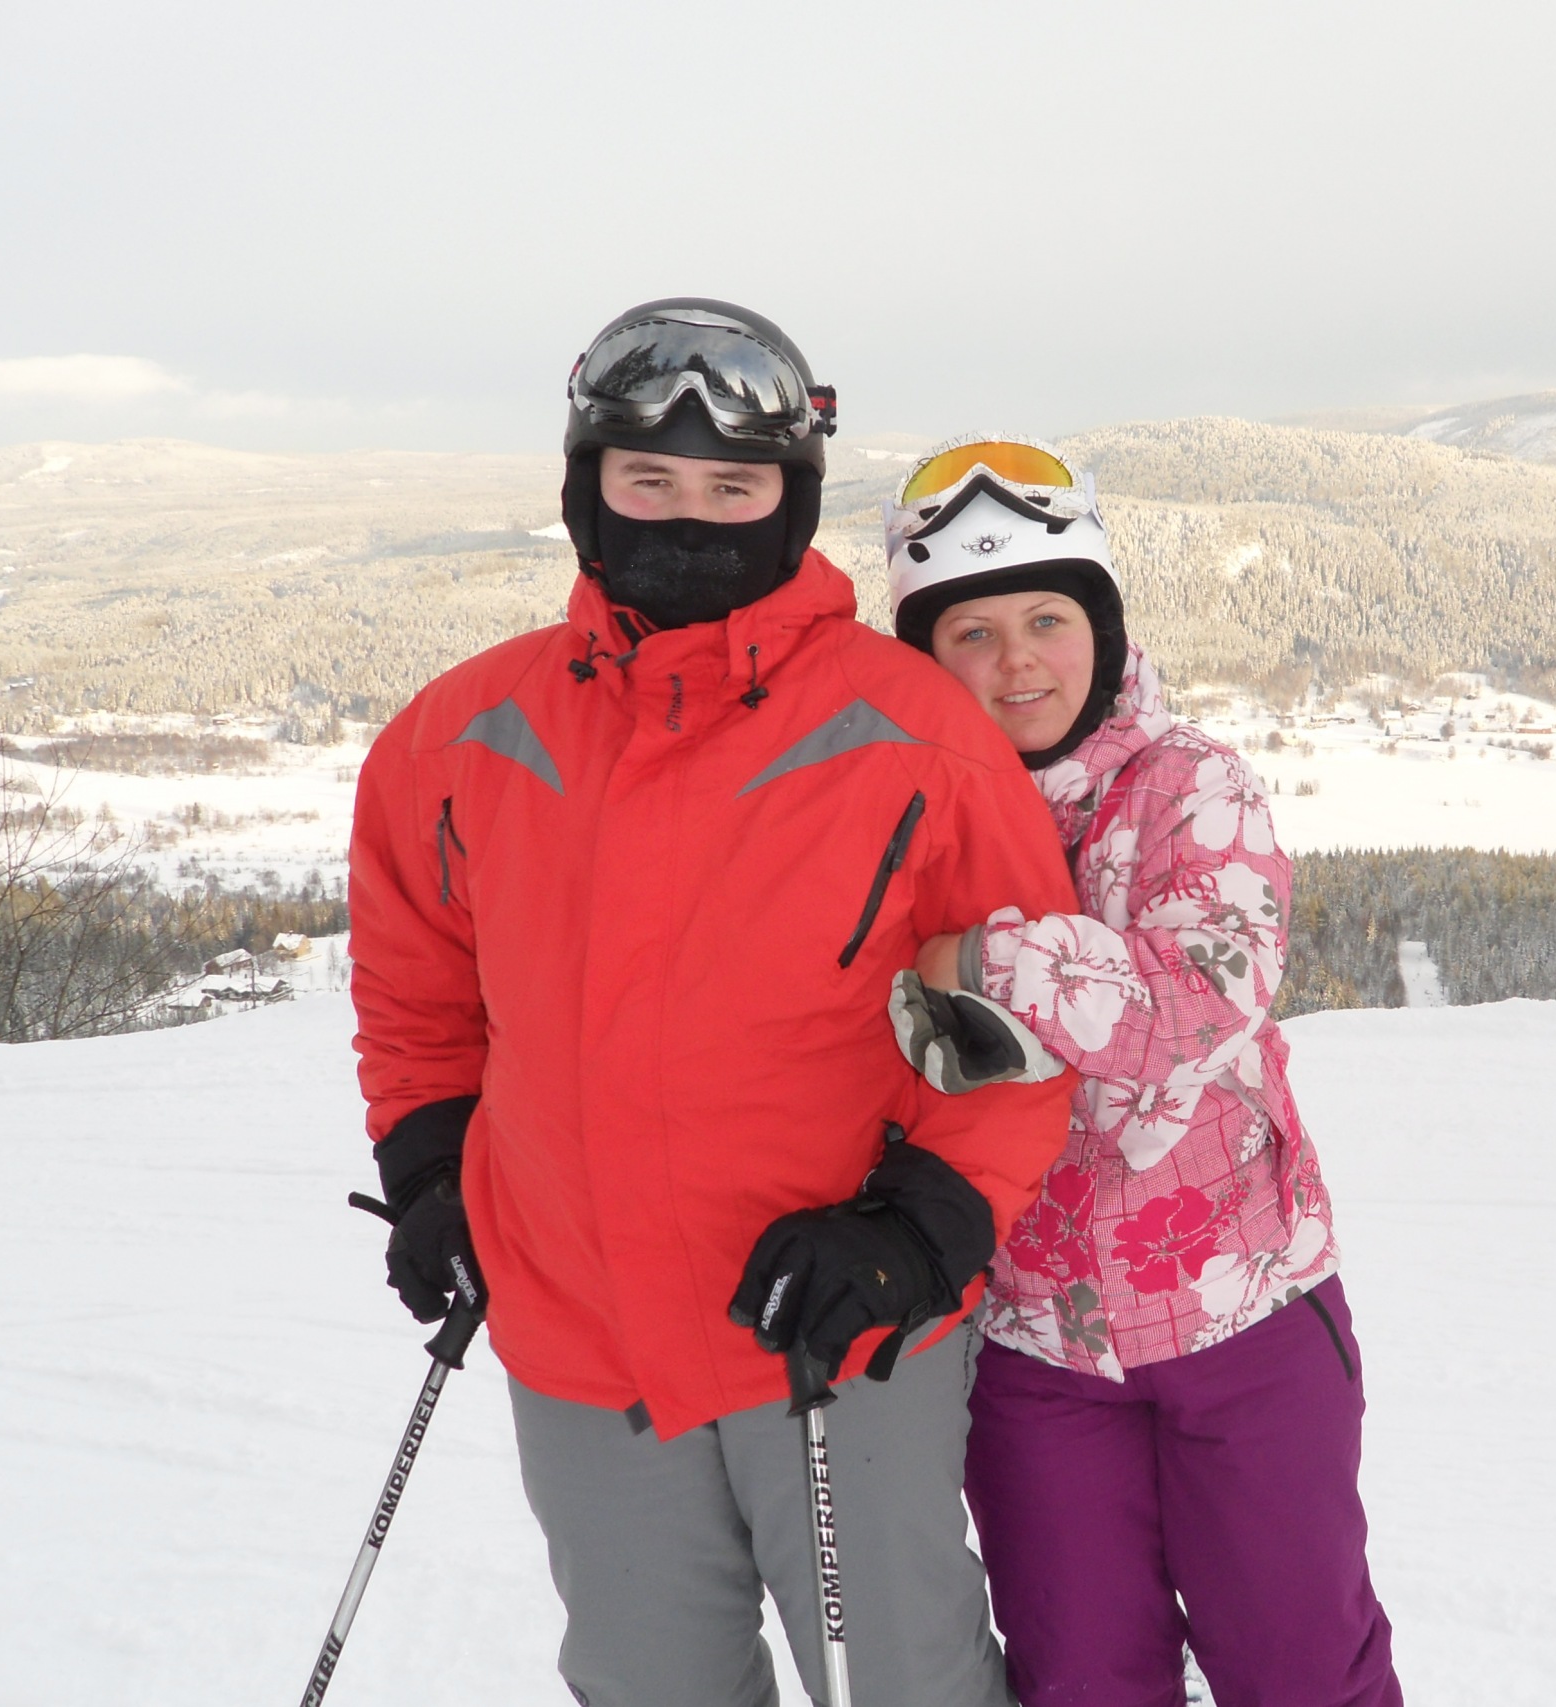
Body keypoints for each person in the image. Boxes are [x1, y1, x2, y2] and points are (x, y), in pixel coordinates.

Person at [347, 304, 1076, 1707]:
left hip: (836, 1325)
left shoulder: (917, 734)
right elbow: (416, 992)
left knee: (902, 1681)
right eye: (650, 481)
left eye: (734, 490)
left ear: (789, 503)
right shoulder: (459, 737)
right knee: (645, 1680)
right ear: (588, 490)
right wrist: (431, 1164)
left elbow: (1023, 1029)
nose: (690, 520)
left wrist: (922, 1227)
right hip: (577, 1331)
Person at [879, 438, 1403, 1707]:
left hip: (1243, 1312)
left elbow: (1200, 993)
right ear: (926, 659)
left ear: (1100, 627)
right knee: (1083, 1678)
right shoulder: (904, 816)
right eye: (971, 633)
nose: (1017, 663)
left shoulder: (1189, 785)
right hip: (1030, 1341)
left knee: (1298, 1668)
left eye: (1048, 619)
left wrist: (985, 959)